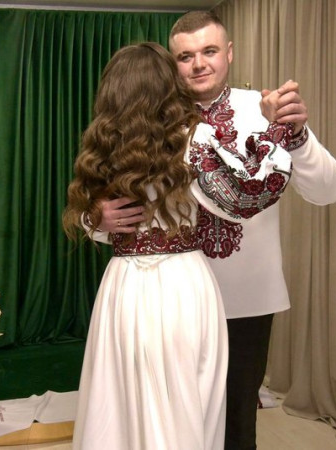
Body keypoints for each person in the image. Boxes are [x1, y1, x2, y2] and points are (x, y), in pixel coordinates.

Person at [94, 11, 336, 450]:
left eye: (209, 51)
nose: (198, 64)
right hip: (167, 300)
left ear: (229, 53)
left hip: (245, 297)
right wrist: (96, 219)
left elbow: (328, 190)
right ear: (171, 63)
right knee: (163, 420)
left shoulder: (265, 111)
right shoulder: (148, 117)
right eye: (185, 56)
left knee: (236, 423)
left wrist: (296, 135)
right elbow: (101, 198)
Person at [64, 41, 296, 450]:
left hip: (126, 286)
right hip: (181, 283)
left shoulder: (103, 143)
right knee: (186, 397)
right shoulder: (193, 138)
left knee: (123, 398)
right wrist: (274, 134)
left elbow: (84, 214)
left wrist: (92, 220)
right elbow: (243, 198)